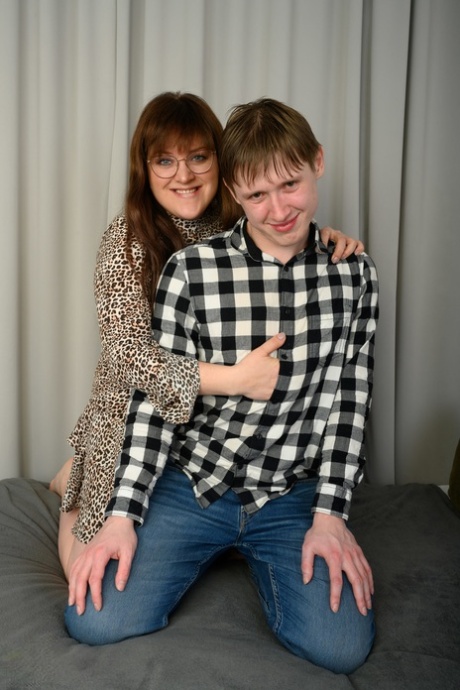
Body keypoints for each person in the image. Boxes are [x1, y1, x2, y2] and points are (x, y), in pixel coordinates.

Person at [65, 97, 378, 674]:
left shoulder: (352, 272)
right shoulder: (176, 263)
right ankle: (81, 479)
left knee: (340, 647)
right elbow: (146, 388)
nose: (278, 208)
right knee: (94, 618)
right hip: (193, 474)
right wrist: (122, 515)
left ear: (318, 164)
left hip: (287, 491)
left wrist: (331, 516)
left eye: (291, 185)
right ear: (237, 190)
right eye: (258, 194)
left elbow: (349, 400)